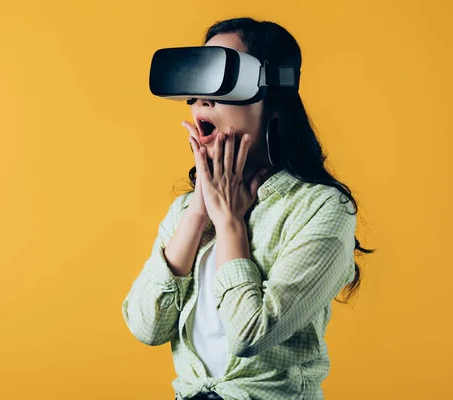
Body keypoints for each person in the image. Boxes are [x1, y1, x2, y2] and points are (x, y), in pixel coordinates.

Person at [122, 16, 375, 400]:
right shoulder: (185, 210)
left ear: (273, 102)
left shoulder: (322, 209)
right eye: (198, 82)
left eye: (223, 78)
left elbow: (249, 333)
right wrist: (197, 214)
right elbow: (146, 327)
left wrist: (229, 224)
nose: (202, 100)